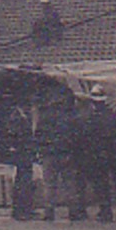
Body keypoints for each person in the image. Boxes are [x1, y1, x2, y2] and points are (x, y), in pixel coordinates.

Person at [81, 86, 116, 222]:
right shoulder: (115, 116)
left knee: (101, 185)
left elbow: (87, 138)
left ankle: (106, 213)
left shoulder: (91, 119)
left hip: (98, 156)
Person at [37, 93, 81, 222]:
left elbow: (39, 135)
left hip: (49, 154)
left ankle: (49, 211)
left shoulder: (45, 116)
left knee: (50, 184)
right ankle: (73, 211)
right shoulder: (71, 117)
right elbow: (76, 136)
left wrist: (41, 151)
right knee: (69, 183)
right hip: (66, 153)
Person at [1, 102, 37, 220]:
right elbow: (21, 138)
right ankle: (24, 210)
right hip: (24, 154)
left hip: (21, 155)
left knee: (21, 181)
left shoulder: (15, 119)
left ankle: (19, 209)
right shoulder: (20, 120)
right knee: (25, 182)